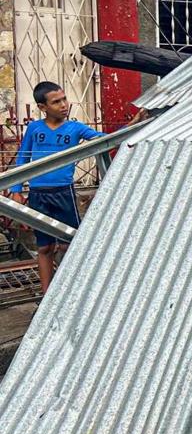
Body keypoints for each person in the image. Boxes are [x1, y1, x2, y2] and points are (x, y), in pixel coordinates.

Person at [8, 82, 145, 293]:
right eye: (56, 102)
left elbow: (106, 142)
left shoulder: (76, 128)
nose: (64, 105)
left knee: (67, 244)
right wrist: (16, 191)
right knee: (44, 247)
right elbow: (22, 158)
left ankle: (67, 292)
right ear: (43, 107)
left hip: (64, 193)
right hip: (38, 195)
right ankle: (46, 296)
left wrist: (134, 124)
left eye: (64, 99)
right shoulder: (35, 128)